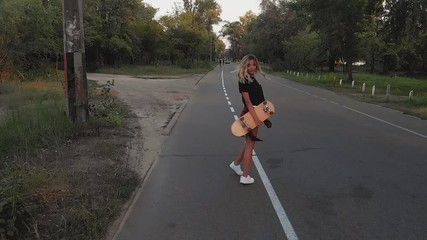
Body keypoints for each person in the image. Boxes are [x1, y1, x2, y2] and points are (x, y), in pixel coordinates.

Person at [229, 54, 272, 185]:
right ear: (244, 66)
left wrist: (264, 114)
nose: (252, 67)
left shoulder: (252, 79)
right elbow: (248, 102)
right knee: (250, 145)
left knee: (248, 143)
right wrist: (256, 118)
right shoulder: (243, 81)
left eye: (254, 65)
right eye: (249, 65)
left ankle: (236, 164)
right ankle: (245, 176)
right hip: (250, 114)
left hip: (255, 113)